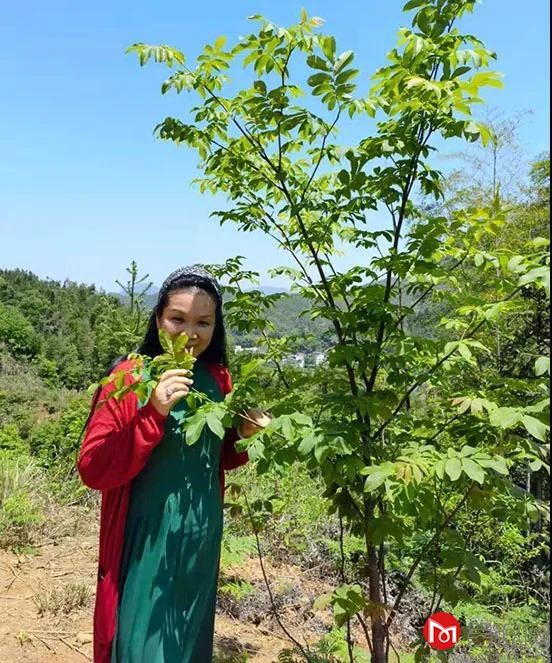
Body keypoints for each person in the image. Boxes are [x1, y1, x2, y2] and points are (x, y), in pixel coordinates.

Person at [77, 265, 268, 663]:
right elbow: (93, 467)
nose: (190, 333)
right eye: (177, 319)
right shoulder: (130, 377)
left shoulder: (218, 379)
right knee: (141, 643)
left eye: (203, 322)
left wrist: (245, 433)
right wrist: (153, 412)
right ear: (158, 319)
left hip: (201, 534)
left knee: (187, 642)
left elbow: (216, 457)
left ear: (216, 327)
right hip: (145, 538)